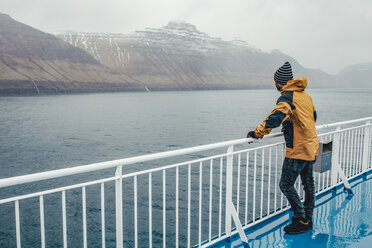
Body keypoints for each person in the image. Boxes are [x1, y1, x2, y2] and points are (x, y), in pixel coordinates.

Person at [246, 61, 319, 235]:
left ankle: (300, 218)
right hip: (311, 145)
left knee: (285, 185)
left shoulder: (287, 98)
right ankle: (308, 219)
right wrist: (292, 121)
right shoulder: (305, 96)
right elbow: (313, 116)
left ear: (280, 82)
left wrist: (256, 133)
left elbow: (275, 118)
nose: (276, 85)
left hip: (298, 150)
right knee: (308, 185)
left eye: (276, 82)